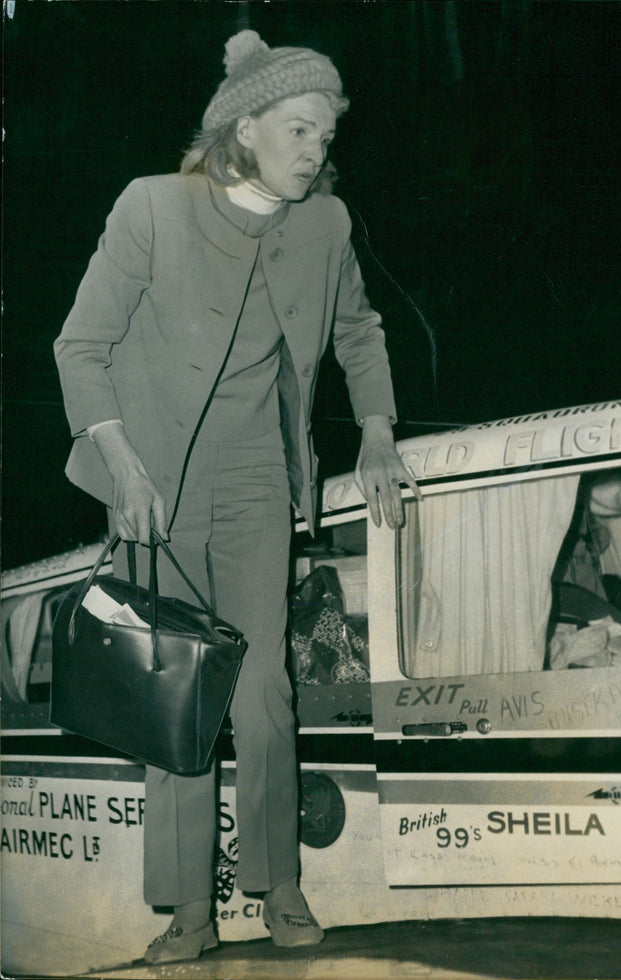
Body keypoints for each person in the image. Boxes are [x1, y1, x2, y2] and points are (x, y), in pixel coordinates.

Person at [54, 28, 419, 965]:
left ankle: (282, 886)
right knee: (177, 692)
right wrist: (121, 464)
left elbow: (360, 331)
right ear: (244, 127)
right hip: (153, 485)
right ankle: (187, 911)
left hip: (262, 480)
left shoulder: (326, 227)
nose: (316, 152)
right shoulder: (152, 209)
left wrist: (377, 431)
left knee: (263, 693)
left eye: (325, 138)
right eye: (299, 131)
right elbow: (78, 346)